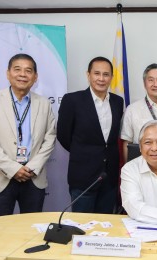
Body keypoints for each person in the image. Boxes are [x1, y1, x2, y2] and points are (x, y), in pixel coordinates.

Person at [57, 56, 124, 213]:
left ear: (111, 78)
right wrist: (83, 153)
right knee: (82, 226)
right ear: (88, 75)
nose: (101, 79)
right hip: (83, 176)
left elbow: (112, 139)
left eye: (106, 74)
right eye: (97, 73)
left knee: (106, 227)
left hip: (109, 177)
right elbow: (63, 136)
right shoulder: (72, 100)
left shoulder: (117, 102)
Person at [0, 53, 56, 216]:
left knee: (31, 229)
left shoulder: (44, 103)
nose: (22, 74)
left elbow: (50, 138)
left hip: (33, 178)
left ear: (35, 77)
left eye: (28, 70)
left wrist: (31, 167)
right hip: (2, 177)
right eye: (17, 69)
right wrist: (13, 168)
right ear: (8, 73)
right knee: (1, 231)